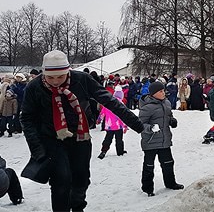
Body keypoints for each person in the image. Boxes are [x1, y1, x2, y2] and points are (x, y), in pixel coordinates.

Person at [20, 50, 145, 212]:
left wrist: (138, 125)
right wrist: (37, 149)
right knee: (61, 179)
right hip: (51, 138)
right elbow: (27, 118)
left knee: (81, 179)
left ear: (68, 71)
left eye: (60, 76)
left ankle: (78, 207)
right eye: (50, 77)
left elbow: (110, 101)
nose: (55, 81)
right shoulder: (34, 87)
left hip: (80, 137)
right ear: (44, 73)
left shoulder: (82, 80)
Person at [139, 81, 184, 196]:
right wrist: (150, 128)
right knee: (149, 166)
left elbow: (169, 116)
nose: (163, 93)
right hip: (150, 141)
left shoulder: (167, 103)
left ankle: (170, 183)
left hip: (164, 140)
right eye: (160, 91)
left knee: (168, 163)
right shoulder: (147, 107)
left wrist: (172, 121)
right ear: (153, 93)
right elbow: (140, 124)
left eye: (164, 90)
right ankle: (147, 188)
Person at [97, 87, 128, 159]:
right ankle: (120, 151)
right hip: (118, 126)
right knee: (119, 139)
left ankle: (104, 151)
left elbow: (102, 112)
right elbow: (125, 116)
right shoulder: (121, 104)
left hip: (109, 125)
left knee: (108, 138)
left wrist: (99, 119)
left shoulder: (109, 103)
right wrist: (125, 126)